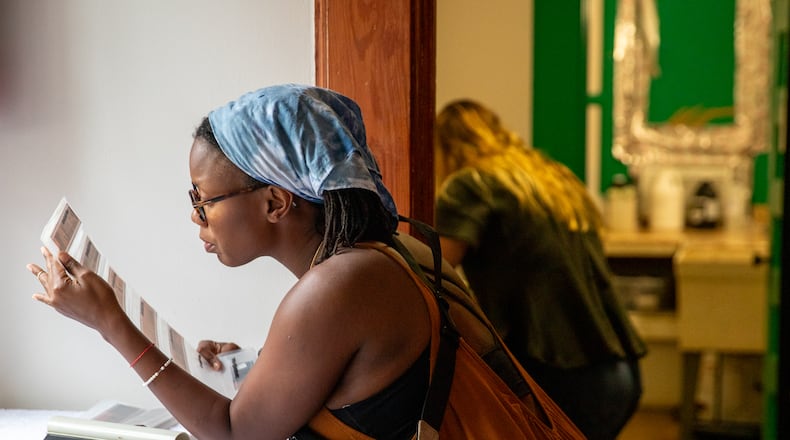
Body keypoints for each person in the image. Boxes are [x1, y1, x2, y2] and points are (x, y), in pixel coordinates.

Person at [27, 85, 583, 439]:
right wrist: (255, 360)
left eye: (203, 201)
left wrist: (112, 325)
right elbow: (367, 383)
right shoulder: (392, 253)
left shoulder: (337, 288)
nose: (196, 219)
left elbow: (235, 435)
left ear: (274, 202)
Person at [433, 99, 648, 440]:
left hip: (562, 375)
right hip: (617, 370)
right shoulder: (550, 178)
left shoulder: (470, 184)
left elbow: (435, 267)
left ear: (444, 148)